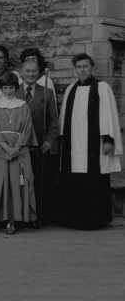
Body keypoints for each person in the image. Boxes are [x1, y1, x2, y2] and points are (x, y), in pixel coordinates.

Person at [59, 53, 122, 230]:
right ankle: (74, 219)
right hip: (73, 146)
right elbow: (64, 119)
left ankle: (95, 220)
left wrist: (109, 140)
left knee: (95, 181)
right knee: (75, 183)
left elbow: (108, 115)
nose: (82, 70)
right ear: (75, 69)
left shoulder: (102, 88)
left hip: (95, 144)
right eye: (79, 67)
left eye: (85, 66)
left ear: (92, 67)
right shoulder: (71, 89)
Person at [0, 72, 37, 235]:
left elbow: (27, 129)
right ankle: (0, 217)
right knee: (1, 183)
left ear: (16, 88)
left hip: (19, 150)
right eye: (5, 88)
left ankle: (14, 219)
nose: (8, 91)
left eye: (11, 88)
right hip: (0, 152)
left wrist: (16, 149)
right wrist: (6, 148)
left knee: (17, 184)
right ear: (1, 88)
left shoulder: (23, 106)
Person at [16, 60, 58, 226]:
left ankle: (37, 217)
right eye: (27, 71)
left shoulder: (46, 92)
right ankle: (20, 216)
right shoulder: (14, 91)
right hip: (20, 147)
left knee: (38, 183)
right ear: (21, 72)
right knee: (21, 182)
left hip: (39, 145)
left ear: (39, 72)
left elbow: (54, 121)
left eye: (34, 71)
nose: (31, 74)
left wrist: (49, 140)